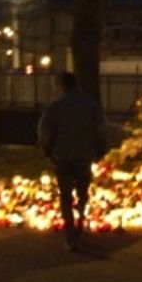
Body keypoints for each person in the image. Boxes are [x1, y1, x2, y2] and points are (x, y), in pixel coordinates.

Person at [37, 72, 109, 251]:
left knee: (66, 195)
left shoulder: (55, 106)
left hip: (63, 156)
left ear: (61, 85)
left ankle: (70, 233)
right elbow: (100, 129)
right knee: (82, 192)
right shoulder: (90, 105)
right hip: (84, 154)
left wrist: (47, 149)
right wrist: (100, 149)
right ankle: (81, 222)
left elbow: (44, 131)